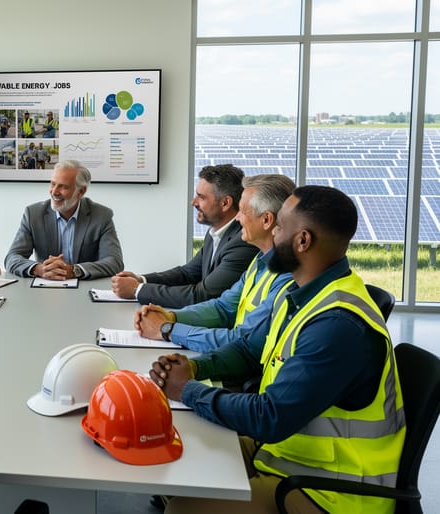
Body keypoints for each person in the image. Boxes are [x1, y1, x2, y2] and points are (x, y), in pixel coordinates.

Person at [149, 186, 404, 514]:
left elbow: (270, 417)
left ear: (302, 241)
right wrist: (195, 368)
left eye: (280, 227)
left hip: (329, 491)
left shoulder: (337, 325)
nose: (272, 231)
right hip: (284, 455)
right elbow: (247, 352)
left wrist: (186, 390)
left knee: (182, 509)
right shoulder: (299, 294)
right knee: (174, 460)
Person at [134, 174, 295, 353]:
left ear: (266, 220)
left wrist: (168, 329)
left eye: (242, 211)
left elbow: (241, 339)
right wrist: (171, 316)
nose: (238, 218)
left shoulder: (286, 277)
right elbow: (223, 307)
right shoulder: (259, 261)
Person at [112, 163, 257, 308]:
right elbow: (187, 273)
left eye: (201, 197)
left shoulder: (243, 242)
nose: (193, 202)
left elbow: (202, 295)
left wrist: (136, 290)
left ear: (225, 203)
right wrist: (141, 280)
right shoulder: (216, 231)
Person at [5, 160, 124, 280]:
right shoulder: (33, 214)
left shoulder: (101, 216)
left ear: (81, 191)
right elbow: (12, 257)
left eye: (63, 187)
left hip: (85, 290)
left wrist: (74, 270)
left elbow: (114, 262)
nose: (55, 192)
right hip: (45, 289)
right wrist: (40, 269)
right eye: (53, 184)